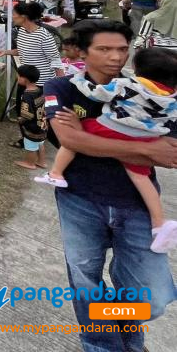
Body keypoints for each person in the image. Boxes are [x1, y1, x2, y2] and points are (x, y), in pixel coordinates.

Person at [42, 20, 177, 350]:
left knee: (153, 295)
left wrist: (88, 136)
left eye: (121, 49)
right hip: (80, 200)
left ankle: (121, 326)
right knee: (85, 281)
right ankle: (106, 345)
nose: (115, 57)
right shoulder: (60, 88)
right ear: (82, 53)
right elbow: (67, 138)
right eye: (104, 49)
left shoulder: (145, 90)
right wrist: (144, 148)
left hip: (136, 203)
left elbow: (170, 153)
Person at [37, 48, 177, 252]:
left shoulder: (128, 85)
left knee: (76, 134)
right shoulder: (172, 98)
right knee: (140, 178)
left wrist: (78, 80)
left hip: (114, 127)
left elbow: (98, 92)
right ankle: (159, 223)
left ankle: (56, 173)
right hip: (146, 136)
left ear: (138, 69)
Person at [0, 1, 64, 90]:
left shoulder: (43, 35)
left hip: (41, 84)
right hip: (25, 81)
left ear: (23, 16)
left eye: (14, 14)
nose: (12, 17)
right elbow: (22, 50)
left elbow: (56, 61)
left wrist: (62, 86)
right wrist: (5, 52)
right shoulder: (21, 31)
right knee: (20, 104)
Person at [14, 65, 46, 170]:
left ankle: (29, 163)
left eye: (18, 76)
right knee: (40, 143)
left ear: (25, 79)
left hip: (32, 127)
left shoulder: (27, 95)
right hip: (42, 123)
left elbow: (27, 114)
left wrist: (20, 119)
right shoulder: (40, 90)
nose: (17, 78)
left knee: (30, 145)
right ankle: (42, 162)